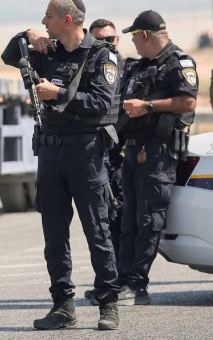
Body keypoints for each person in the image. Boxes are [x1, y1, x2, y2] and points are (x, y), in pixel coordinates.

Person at [0, 0, 122, 331]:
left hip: (86, 152)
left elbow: (100, 103)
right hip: (51, 152)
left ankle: (108, 303)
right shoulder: (47, 50)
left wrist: (59, 96)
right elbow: (9, 54)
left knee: (97, 230)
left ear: (67, 20)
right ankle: (62, 305)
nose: (44, 21)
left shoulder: (101, 55)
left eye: (48, 17)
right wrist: (27, 34)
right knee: (54, 234)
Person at [111, 10, 197, 306]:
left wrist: (148, 106)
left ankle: (137, 285)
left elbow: (188, 100)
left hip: (159, 151)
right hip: (134, 149)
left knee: (148, 219)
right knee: (128, 221)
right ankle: (122, 281)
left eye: (134, 36)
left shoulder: (178, 62)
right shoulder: (139, 66)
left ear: (144, 35)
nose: (132, 42)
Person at [83, 18, 125, 303]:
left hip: (122, 152)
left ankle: (120, 282)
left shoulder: (129, 70)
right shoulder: (89, 68)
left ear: (117, 40)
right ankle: (109, 282)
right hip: (99, 151)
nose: (106, 45)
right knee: (104, 221)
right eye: (99, 40)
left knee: (119, 218)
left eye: (109, 40)